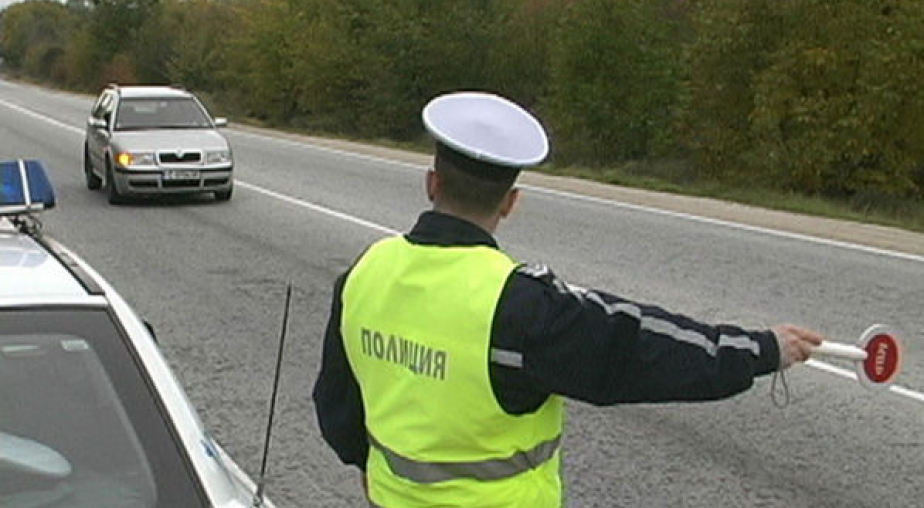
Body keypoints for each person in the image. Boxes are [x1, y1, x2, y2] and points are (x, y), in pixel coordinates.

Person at [312, 91, 824, 508]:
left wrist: (369, 467)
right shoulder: (520, 306)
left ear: (431, 183)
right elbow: (638, 349)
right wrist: (762, 349)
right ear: (510, 202)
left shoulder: (364, 272)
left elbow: (336, 405)